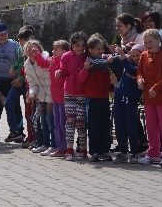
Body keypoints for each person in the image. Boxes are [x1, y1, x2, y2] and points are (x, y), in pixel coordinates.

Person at [137, 28, 162, 167]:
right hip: (149, 96)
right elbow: (139, 72)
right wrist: (140, 80)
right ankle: (153, 153)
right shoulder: (143, 55)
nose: (148, 44)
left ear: (159, 41)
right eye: (146, 42)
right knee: (151, 126)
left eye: (151, 41)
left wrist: (156, 87)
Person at [56, 32, 89, 161]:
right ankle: (69, 150)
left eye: (82, 45)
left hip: (82, 93)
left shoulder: (87, 57)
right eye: (77, 45)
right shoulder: (66, 56)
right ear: (72, 45)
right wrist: (59, 73)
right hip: (69, 92)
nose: (80, 48)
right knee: (70, 121)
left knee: (81, 123)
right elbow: (63, 71)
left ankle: (83, 150)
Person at [109, 43, 143, 164]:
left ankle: (134, 153)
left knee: (131, 127)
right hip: (119, 99)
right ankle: (123, 152)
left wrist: (124, 57)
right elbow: (112, 63)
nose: (135, 57)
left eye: (138, 55)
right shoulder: (126, 62)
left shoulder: (141, 68)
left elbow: (132, 71)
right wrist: (112, 56)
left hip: (131, 101)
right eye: (133, 55)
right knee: (119, 127)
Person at [83, 34, 113, 162]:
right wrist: (107, 62)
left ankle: (105, 150)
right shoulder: (90, 61)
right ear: (90, 50)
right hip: (92, 98)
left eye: (101, 48)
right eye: (97, 49)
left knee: (105, 125)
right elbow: (95, 67)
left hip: (104, 97)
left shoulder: (104, 59)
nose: (101, 51)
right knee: (93, 125)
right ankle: (95, 151)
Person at [23, 40, 53, 155]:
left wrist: (48, 96)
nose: (31, 52)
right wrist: (32, 94)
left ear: (40, 49)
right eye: (29, 50)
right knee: (39, 120)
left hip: (50, 92)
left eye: (34, 49)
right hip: (40, 95)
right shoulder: (27, 65)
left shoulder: (45, 58)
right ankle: (42, 143)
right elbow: (32, 84)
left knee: (49, 120)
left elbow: (47, 78)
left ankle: (52, 144)